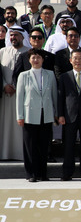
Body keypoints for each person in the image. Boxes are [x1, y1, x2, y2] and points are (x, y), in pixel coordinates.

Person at [16, 49, 57, 182]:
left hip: (46, 113)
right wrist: (19, 115)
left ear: (43, 59)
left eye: (38, 57)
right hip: (29, 114)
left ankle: (42, 173)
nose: (36, 60)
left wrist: (56, 113)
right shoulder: (24, 75)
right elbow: (19, 97)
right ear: (29, 60)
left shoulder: (50, 74)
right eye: (33, 57)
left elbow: (54, 95)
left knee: (44, 145)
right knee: (30, 145)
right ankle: (31, 174)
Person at [57, 49, 81, 181]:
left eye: (80, 58)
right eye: (75, 58)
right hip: (69, 115)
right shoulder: (64, 77)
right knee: (68, 145)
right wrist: (60, 115)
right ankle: (67, 172)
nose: (77, 61)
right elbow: (60, 97)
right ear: (70, 60)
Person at [0, 27, 29, 160]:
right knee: (5, 126)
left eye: (16, 35)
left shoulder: (29, 53)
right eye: (11, 35)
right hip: (5, 96)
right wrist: (5, 85)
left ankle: (20, 154)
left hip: (21, 95)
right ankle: (5, 154)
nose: (13, 38)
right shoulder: (2, 52)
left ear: (23, 37)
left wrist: (17, 87)